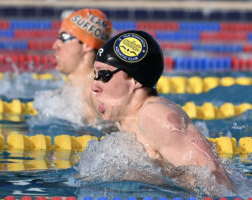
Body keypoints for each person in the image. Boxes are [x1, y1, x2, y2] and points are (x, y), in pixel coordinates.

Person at [91, 30, 234, 195]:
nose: (94, 86)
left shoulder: (156, 116)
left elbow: (220, 185)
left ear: (134, 80)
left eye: (103, 75)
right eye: (94, 75)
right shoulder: (128, 117)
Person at [50, 8, 112, 123]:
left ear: (86, 45)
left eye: (63, 38)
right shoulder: (72, 87)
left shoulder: (94, 91)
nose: (55, 46)